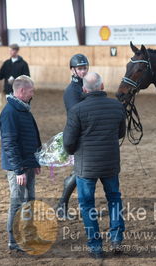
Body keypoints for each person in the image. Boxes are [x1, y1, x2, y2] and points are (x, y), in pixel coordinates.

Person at [63, 72, 126, 259]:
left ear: (84, 89)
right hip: (110, 163)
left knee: (87, 204)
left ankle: (96, 246)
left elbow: (68, 143)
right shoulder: (117, 106)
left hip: (86, 166)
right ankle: (116, 238)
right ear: (102, 85)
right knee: (114, 199)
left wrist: (77, 148)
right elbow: (121, 133)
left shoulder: (77, 110)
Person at [0, 75, 50, 253]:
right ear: (21, 91)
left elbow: (32, 137)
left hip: (27, 164)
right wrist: (19, 169)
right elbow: (9, 144)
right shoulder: (9, 113)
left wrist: (35, 161)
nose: (33, 93)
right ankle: (13, 240)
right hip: (18, 169)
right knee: (17, 202)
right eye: (31, 90)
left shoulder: (23, 109)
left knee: (29, 201)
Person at [56, 54, 90, 218]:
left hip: (88, 134)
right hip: (79, 136)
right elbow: (76, 114)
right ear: (73, 70)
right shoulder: (71, 91)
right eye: (80, 68)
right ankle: (61, 205)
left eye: (85, 68)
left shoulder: (87, 85)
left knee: (84, 172)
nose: (83, 71)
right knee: (80, 172)